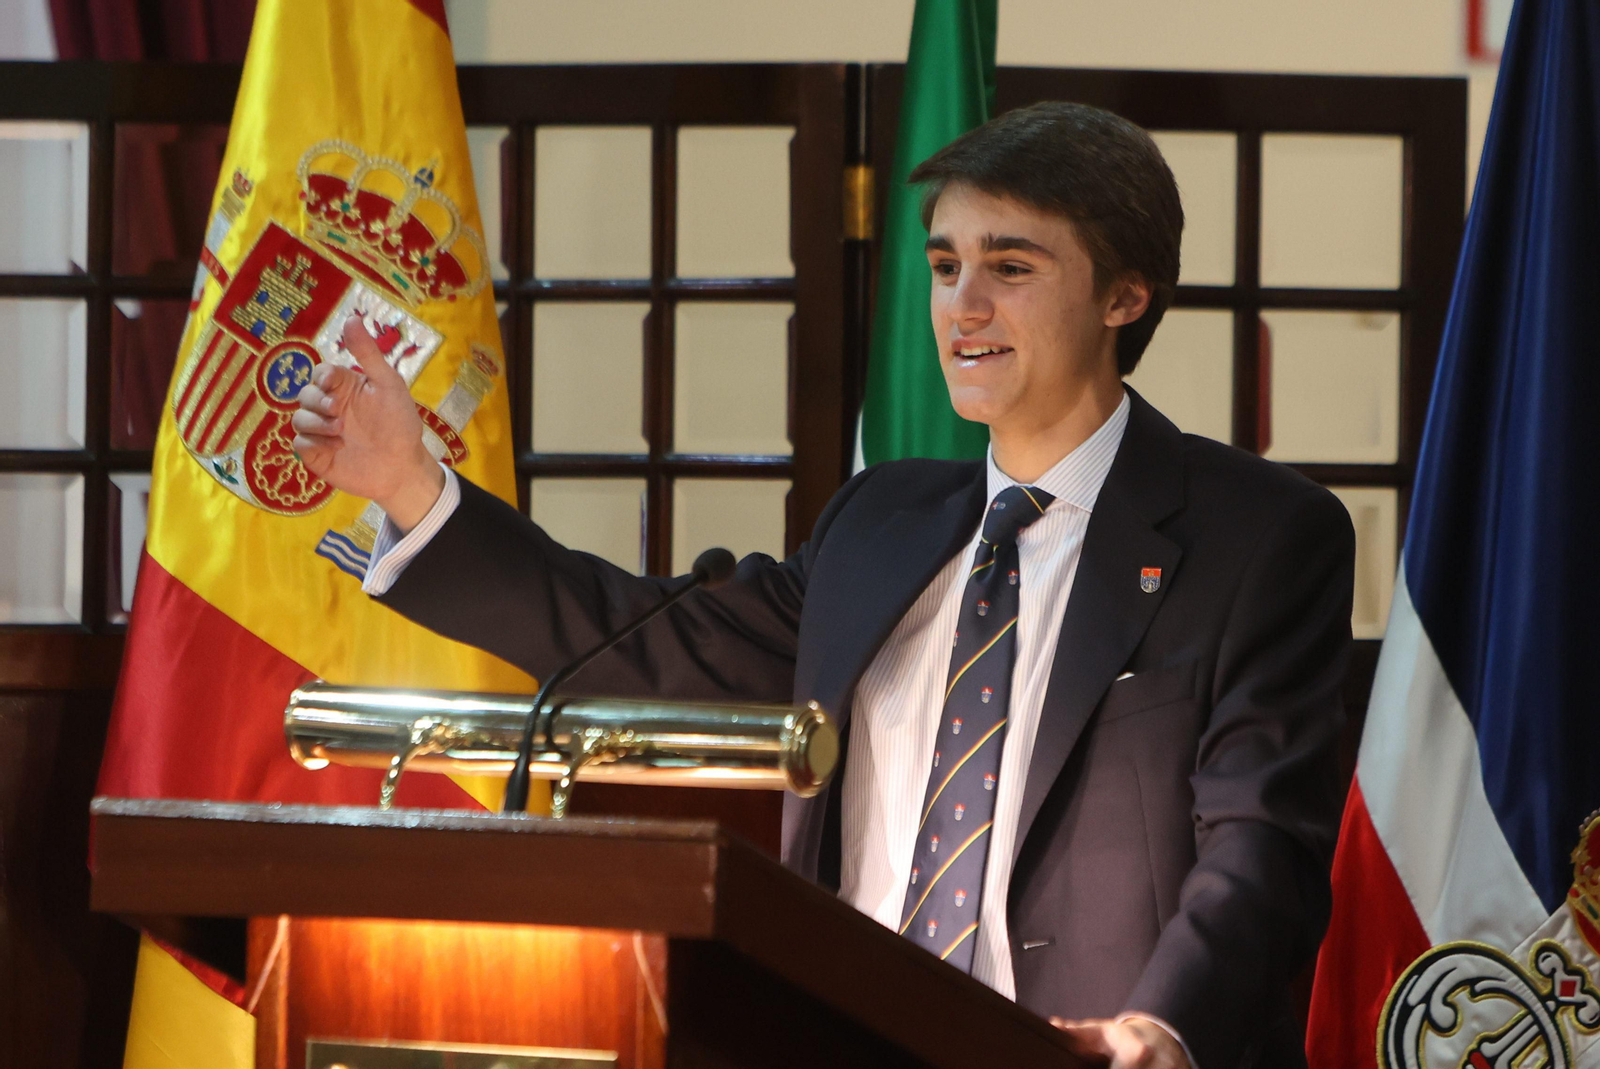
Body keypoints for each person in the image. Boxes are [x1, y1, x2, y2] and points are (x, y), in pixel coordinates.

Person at [293, 102, 1353, 1069]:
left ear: (1125, 294)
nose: (964, 306)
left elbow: (1262, 841)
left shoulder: (1258, 538)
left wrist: (1160, 1026)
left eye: (1010, 266)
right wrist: (411, 487)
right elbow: (639, 644)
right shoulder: (878, 525)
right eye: (945, 266)